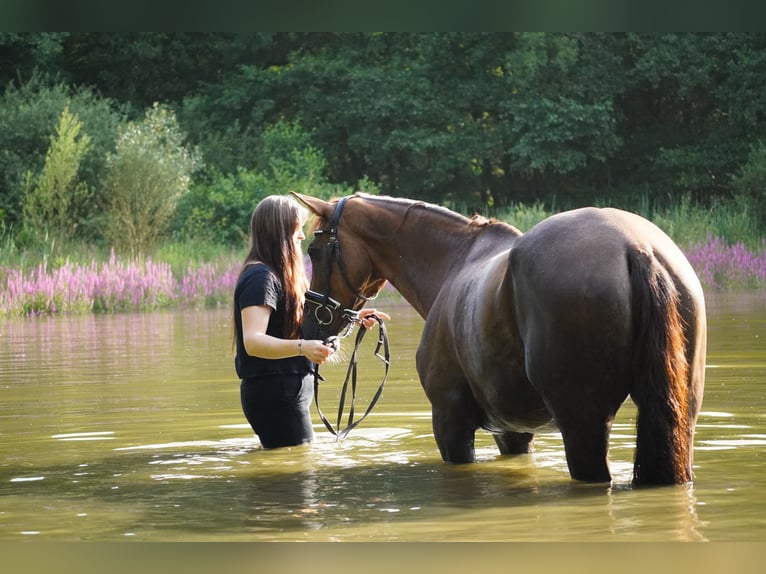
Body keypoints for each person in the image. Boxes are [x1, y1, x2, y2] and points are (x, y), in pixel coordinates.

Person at [233, 194, 388, 449]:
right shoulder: (261, 278)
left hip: (287, 389)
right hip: (275, 392)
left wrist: (354, 317)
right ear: (278, 232)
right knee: (297, 477)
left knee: (294, 469)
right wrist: (303, 348)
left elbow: (301, 318)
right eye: (297, 229)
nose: (302, 237)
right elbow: (253, 341)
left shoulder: (279, 276)